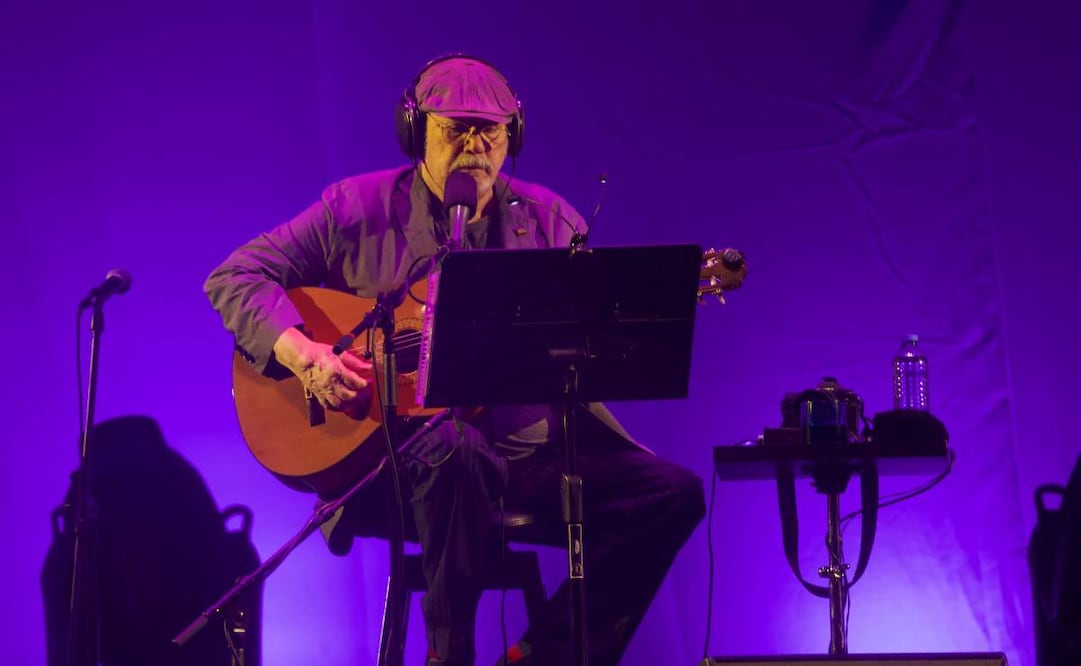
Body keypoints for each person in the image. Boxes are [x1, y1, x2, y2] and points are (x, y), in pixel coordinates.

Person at [204, 54, 706, 666]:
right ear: (416, 132)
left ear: (512, 137)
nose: (474, 147)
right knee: (453, 449)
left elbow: (587, 338)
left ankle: (539, 657)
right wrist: (304, 353)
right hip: (391, 468)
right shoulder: (353, 210)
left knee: (672, 494)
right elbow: (236, 275)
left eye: (490, 131)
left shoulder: (550, 222)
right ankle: (450, 656)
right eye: (454, 129)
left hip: (526, 459)